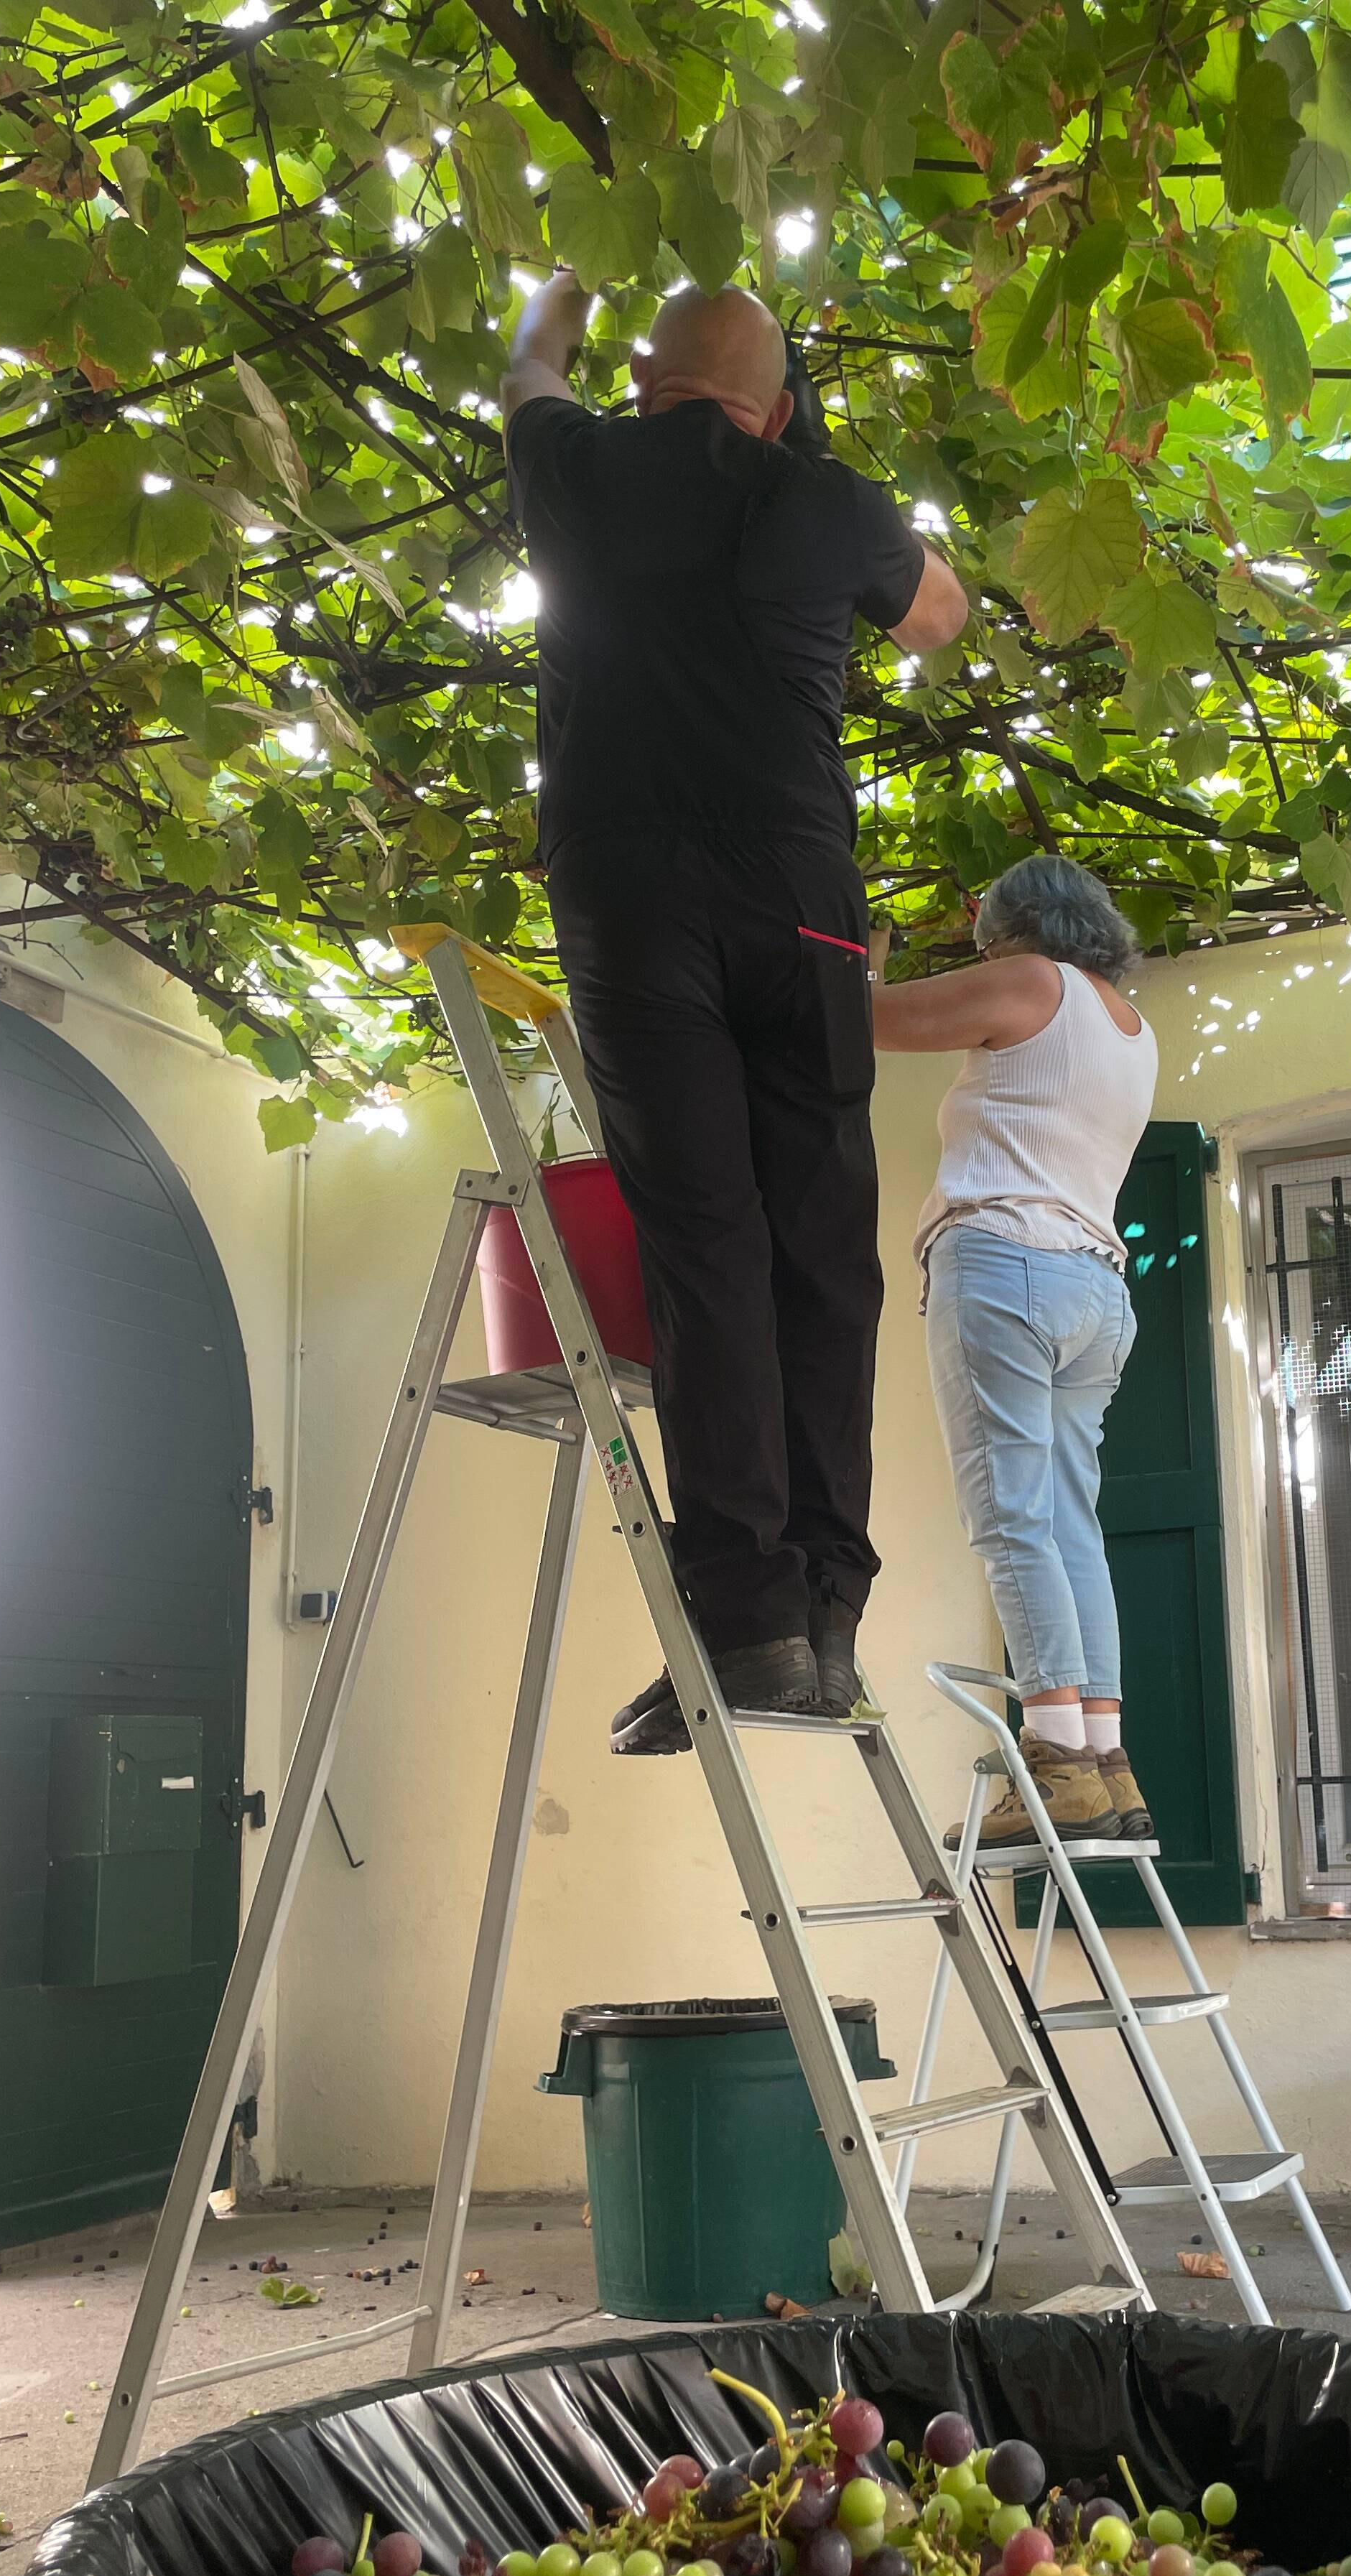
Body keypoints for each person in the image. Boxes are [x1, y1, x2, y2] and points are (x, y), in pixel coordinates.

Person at [499, 275, 967, 1749]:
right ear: (772, 399)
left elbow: (527, 366)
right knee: (820, 1241)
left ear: (643, 381)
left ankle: (750, 1621)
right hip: (800, 895)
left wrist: (562, 294)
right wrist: (818, 464)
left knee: (708, 1240)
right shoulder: (823, 493)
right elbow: (938, 622)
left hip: (633, 898)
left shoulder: (572, 464)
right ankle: (829, 1613)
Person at [873, 855, 1160, 1849]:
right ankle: (1104, 1762)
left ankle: (1055, 1765)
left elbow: (865, 1020)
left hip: (1006, 1258)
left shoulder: (1030, 983)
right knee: (1068, 1522)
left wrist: (854, 949)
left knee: (1009, 1518)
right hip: (1093, 1287)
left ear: (1007, 922)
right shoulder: (1128, 1024)